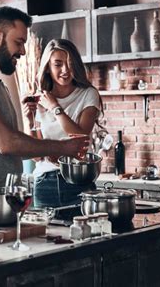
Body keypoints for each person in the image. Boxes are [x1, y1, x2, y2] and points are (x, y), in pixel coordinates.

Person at [0, 7, 90, 214]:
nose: (23, 51)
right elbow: (7, 143)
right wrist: (62, 148)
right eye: (19, 42)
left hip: (7, 199)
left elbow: (10, 150)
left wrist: (42, 148)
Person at [21, 39, 104, 208]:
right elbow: (37, 156)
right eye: (58, 64)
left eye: (69, 64)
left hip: (78, 182)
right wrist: (28, 120)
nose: (65, 70)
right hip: (45, 184)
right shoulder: (40, 98)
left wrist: (54, 108)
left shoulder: (88, 94)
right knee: (48, 235)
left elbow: (80, 138)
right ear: (48, 68)